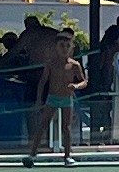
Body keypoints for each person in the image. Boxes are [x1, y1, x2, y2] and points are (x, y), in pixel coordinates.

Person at [21, 17, 87, 164]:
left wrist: (76, 86)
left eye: (67, 46)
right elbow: (43, 82)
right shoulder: (51, 63)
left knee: (66, 128)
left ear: (71, 47)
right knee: (43, 125)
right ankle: (33, 154)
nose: (64, 49)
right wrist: (39, 99)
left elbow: (84, 81)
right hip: (52, 98)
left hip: (66, 98)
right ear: (56, 47)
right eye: (61, 46)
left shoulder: (74, 65)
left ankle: (67, 155)